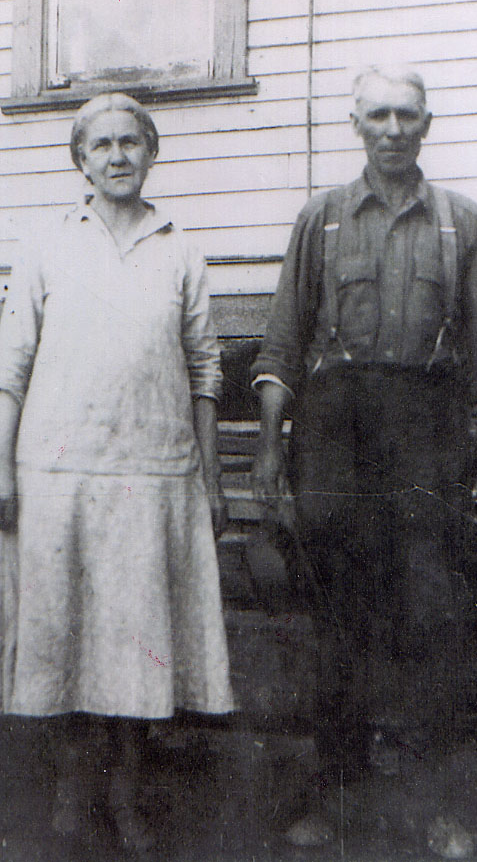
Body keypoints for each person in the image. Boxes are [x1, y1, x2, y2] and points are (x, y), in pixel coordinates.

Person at [251, 65, 477, 845]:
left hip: (426, 423)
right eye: (378, 116)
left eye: (407, 115)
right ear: (356, 124)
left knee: (432, 607)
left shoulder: (460, 222)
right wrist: (270, 447)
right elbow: (282, 342)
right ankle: (331, 795)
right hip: (335, 427)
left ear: (427, 125)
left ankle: (437, 804)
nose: (393, 129)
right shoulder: (322, 219)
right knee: (339, 611)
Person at [0, 92, 234, 854]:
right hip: (59, 474)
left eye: (131, 141)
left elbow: (205, 369)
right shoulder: (45, 245)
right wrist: (1, 469)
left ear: (151, 152)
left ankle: (129, 791)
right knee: (65, 630)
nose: (117, 155)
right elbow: (11, 366)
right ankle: (72, 783)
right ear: (80, 160)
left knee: (138, 640)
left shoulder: (179, 249)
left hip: (153, 473)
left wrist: (211, 478)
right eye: (100, 144)